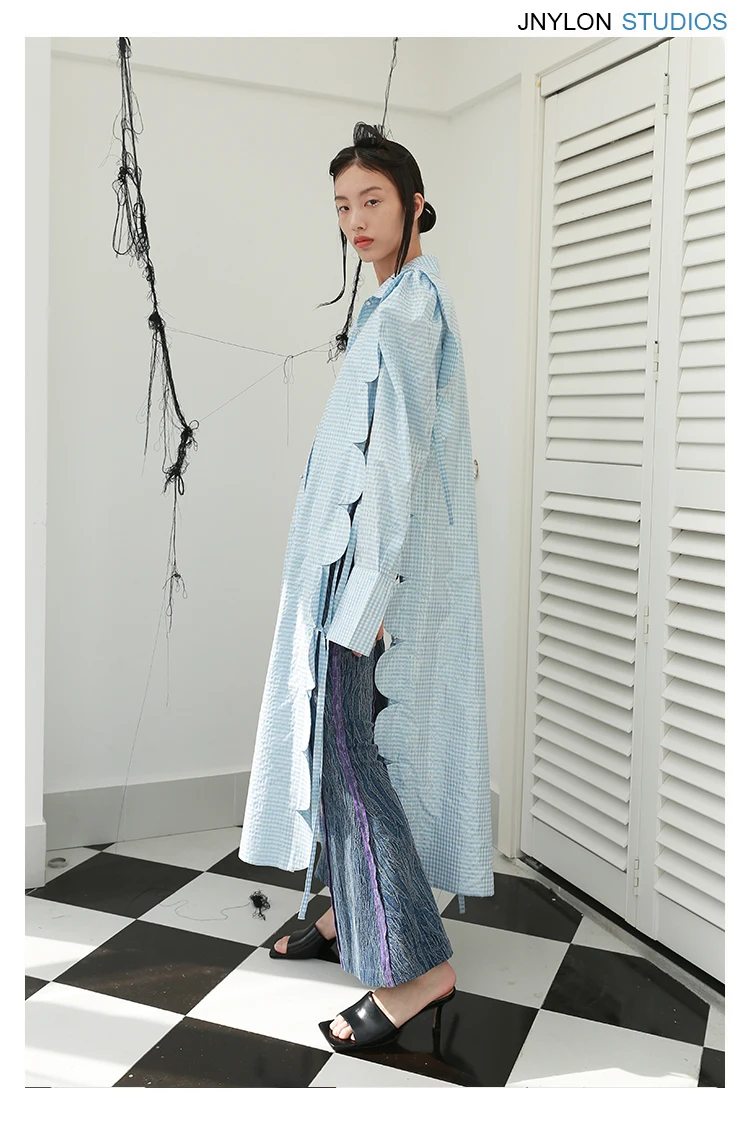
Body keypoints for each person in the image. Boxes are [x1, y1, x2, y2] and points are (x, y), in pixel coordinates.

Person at [239, 122, 494, 1052]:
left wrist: (369, 600)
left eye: (373, 201)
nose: (355, 219)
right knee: (336, 752)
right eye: (343, 205)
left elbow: (396, 467)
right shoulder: (393, 305)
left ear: (415, 204)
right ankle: (348, 910)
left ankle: (417, 969)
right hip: (345, 572)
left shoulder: (412, 312)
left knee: (352, 761)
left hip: (366, 584)